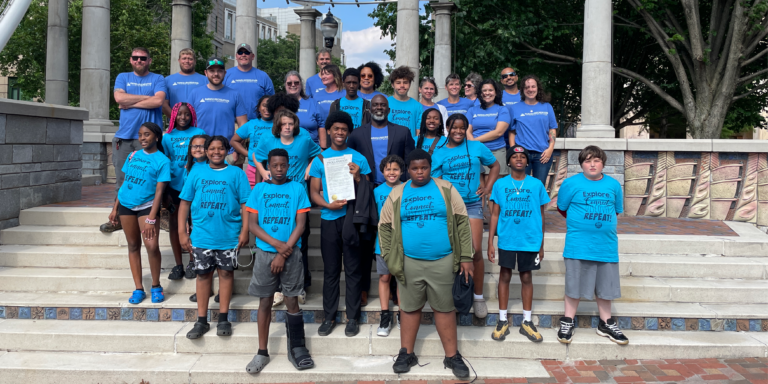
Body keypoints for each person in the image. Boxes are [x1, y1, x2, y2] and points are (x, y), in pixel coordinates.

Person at [379, 149, 472, 379]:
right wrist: (390, 258)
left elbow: (462, 222)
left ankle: (452, 356)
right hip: (409, 262)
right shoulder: (397, 193)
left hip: (443, 261)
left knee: (445, 308)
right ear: (407, 170)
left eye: (424, 168)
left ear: (431, 167)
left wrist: (467, 257)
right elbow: (384, 226)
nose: (420, 172)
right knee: (409, 308)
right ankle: (406, 353)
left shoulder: (446, 188)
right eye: (414, 168)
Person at [245, 148, 314, 374]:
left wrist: (283, 253)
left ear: (288, 165)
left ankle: (297, 348)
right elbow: (253, 225)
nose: (278, 169)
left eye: (283, 165)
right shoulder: (260, 190)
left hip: (291, 253)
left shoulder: (297, 189)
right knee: (265, 301)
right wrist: (277, 248)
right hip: (266, 254)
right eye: (274, 165)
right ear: (268, 166)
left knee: (292, 301)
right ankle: (262, 352)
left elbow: (301, 225)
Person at [179, 136, 250, 339]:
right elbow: (184, 203)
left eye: (220, 148)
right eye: (212, 148)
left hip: (228, 236)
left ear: (228, 150)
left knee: (226, 274)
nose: (216, 152)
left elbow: (245, 204)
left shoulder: (237, 173)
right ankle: (201, 320)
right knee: (202, 276)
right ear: (206, 151)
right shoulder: (196, 172)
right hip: (202, 236)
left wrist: (245, 230)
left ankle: (223, 318)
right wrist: (182, 232)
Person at [347, 94, 415, 305]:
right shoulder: (357, 134)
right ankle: (364, 288)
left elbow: (410, 161)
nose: (379, 108)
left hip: (395, 191)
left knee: (396, 240)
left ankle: (395, 288)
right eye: (375, 105)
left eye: (383, 105)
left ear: (388, 108)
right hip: (367, 192)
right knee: (367, 242)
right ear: (369, 109)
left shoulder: (402, 132)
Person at [556, 146, 628, 345]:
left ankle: (606, 323)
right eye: (588, 161)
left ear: (603, 163)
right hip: (578, 244)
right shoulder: (571, 183)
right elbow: (562, 209)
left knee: (606, 287)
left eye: (596, 160)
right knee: (574, 285)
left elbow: (616, 211)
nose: (592, 164)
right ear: (582, 164)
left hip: (606, 245)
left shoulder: (613, 185)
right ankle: (568, 321)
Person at [309, 111, 372, 338]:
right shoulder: (320, 159)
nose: (339, 133)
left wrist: (358, 177)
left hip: (352, 220)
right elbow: (314, 192)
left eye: (344, 129)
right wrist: (327, 204)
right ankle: (329, 317)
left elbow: (367, 191)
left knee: (354, 270)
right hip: (329, 219)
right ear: (328, 131)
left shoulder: (359, 159)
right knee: (331, 271)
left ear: (349, 132)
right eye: (335, 129)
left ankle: (352, 318)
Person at [432, 114, 500, 319]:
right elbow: (434, 179)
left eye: (462, 128)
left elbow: (495, 165)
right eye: (454, 128)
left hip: (471, 204)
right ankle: (452, 294)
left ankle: (478, 296)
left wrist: (487, 188)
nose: (459, 132)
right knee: (451, 251)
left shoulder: (476, 147)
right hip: (449, 205)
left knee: (476, 250)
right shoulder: (440, 152)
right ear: (447, 128)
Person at [101, 47, 167, 233]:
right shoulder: (123, 77)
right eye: (136, 58)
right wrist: (146, 98)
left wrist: (129, 102)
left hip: (148, 140)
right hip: (125, 137)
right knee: (122, 180)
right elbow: (118, 98)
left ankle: (152, 218)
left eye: (143, 58)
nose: (139, 60)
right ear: (131, 60)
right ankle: (119, 219)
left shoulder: (158, 79)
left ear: (149, 60)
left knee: (151, 180)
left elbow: (157, 102)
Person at [487, 145, 549, 342]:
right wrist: (490, 241)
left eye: (523, 157)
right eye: (515, 157)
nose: (519, 159)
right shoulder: (500, 184)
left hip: (529, 239)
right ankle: (503, 319)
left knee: (526, 277)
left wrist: (541, 243)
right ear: (509, 161)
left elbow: (541, 214)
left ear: (528, 162)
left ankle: (527, 321)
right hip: (507, 238)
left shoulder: (536, 184)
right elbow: (495, 214)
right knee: (504, 275)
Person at [107, 122, 170, 304]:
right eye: (140, 134)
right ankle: (138, 288)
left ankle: (156, 286)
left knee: (151, 246)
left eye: (147, 134)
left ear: (156, 137)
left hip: (146, 206)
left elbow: (159, 191)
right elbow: (125, 183)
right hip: (126, 204)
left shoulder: (162, 161)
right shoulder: (133, 155)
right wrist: (115, 207)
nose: (142, 138)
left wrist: (152, 216)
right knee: (133, 245)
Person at [162, 103, 206, 281]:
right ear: (174, 115)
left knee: (193, 222)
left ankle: (192, 262)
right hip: (175, 186)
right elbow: (164, 162)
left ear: (192, 115)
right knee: (175, 224)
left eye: (187, 114)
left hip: (195, 186)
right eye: (179, 114)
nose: (183, 117)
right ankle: (178, 264)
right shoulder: (167, 137)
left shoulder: (200, 132)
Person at [373, 154, 404, 337]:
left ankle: (402, 313)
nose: (391, 173)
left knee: (401, 279)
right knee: (385, 278)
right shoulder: (377, 192)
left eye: (395, 169)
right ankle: (385, 316)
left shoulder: (408, 188)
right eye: (388, 169)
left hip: (404, 243)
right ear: (382, 171)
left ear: (402, 171)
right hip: (382, 243)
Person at [509, 75, 558, 186]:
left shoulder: (546, 106)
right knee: (520, 187)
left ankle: (538, 205)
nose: (530, 90)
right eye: (527, 87)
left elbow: (552, 129)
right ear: (522, 90)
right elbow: (512, 131)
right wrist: (514, 150)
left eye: (533, 86)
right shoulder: (515, 108)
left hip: (542, 155)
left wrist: (550, 148)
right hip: (522, 154)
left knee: (538, 188)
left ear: (537, 88)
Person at [467, 79, 512, 193]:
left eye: (490, 90)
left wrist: (475, 141)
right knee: (477, 190)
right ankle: (479, 212)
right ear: (480, 93)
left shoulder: (502, 109)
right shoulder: (472, 110)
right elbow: (467, 130)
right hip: (476, 153)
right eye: (484, 90)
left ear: (496, 92)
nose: (487, 93)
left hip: (496, 152)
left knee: (493, 192)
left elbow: (498, 132)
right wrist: (473, 146)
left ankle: (494, 212)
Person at [189, 57, 248, 141]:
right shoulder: (195, 93)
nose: (216, 74)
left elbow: (243, 125)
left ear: (225, 73)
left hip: (227, 150)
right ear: (206, 73)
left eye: (220, 71)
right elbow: (188, 122)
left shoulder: (235, 95)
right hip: (201, 149)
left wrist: (236, 147)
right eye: (212, 71)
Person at [224, 43, 275, 120]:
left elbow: (272, 101)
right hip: (232, 123)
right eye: (240, 53)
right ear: (236, 56)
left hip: (256, 123)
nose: (243, 55)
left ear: (253, 56)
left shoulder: (263, 76)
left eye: (247, 53)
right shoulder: (226, 75)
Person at [230, 95, 273, 187]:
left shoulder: (279, 124)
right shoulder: (251, 124)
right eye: (264, 105)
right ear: (258, 108)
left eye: (271, 105)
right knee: (251, 198)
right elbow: (234, 141)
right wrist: (249, 154)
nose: (267, 108)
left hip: (273, 169)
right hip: (253, 167)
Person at [163, 48, 207, 118]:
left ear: (195, 61)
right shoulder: (167, 80)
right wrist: (175, 120)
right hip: (176, 125)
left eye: (190, 59)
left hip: (199, 123)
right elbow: (164, 104)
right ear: (179, 61)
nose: (187, 61)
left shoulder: (205, 80)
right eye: (184, 58)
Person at [285, 71, 326, 145]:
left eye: (296, 82)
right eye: (289, 83)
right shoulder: (280, 103)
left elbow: (321, 126)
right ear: (285, 85)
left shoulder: (312, 103)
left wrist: (323, 149)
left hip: (311, 148)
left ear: (301, 84)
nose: (293, 85)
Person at [387, 66, 423, 138]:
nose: (402, 85)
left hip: (409, 147)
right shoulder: (385, 103)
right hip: (389, 146)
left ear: (409, 84)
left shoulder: (417, 106)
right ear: (392, 85)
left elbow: (418, 131)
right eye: (398, 83)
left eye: (405, 82)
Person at [313, 64, 346, 133]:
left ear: (335, 75)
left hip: (340, 133)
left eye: (327, 74)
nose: (323, 77)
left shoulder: (345, 94)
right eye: (322, 75)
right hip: (322, 133)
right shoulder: (317, 95)